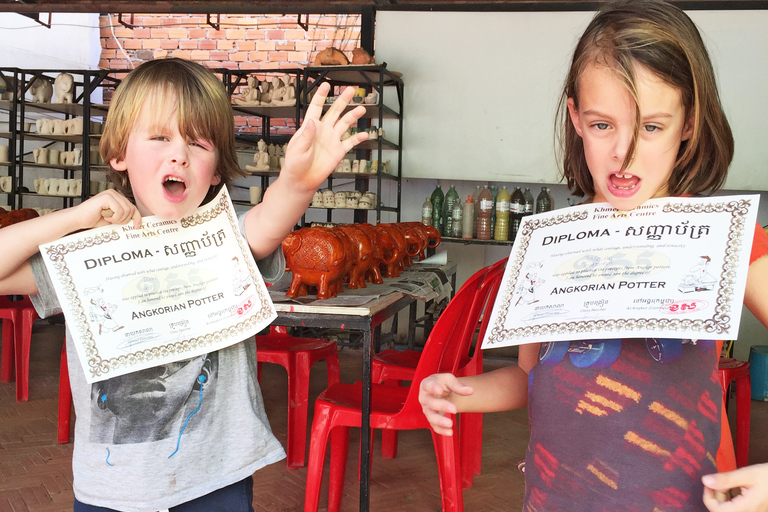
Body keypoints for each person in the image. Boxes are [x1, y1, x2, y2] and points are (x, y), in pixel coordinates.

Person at [418, 1, 768, 510]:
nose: (624, 154)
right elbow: (529, 374)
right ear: (576, 117)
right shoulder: (551, 242)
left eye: (651, 127)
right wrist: (461, 393)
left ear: (688, 123)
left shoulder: (728, 238)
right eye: (604, 125)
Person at [0, 58, 368, 511]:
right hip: (111, 489)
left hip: (216, 482)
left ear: (216, 170)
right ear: (119, 154)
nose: (179, 154)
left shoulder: (224, 238)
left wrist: (297, 181)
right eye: (159, 137)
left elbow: (269, 222)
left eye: (198, 142)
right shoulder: (86, 252)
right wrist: (77, 218)